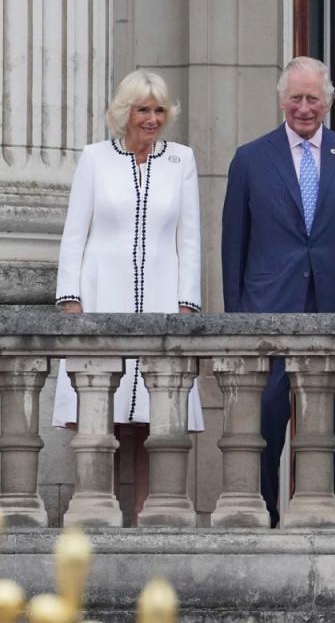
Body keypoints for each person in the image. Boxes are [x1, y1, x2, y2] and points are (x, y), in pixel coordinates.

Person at [222, 56, 335, 527]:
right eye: (296, 98)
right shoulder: (250, 158)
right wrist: (236, 320)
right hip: (267, 309)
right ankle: (265, 514)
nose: (304, 108)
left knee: (325, 422)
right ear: (281, 99)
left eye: (313, 99)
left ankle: (317, 513)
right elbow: (234, 244)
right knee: (266, 420)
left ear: (328, 101)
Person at [54, 69, 204, 520]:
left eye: (159, 110)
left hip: (161, 297)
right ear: (125, 113)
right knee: (104, 410)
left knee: (152, 416)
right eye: (144, 110)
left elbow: (190, 238)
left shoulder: (181, 160)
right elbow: (74, 233)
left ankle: (147, 512)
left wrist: (186, 305)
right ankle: (97, 509)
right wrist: (70, 300)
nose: (153, 119)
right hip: (103, 296)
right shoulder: (95, 159)